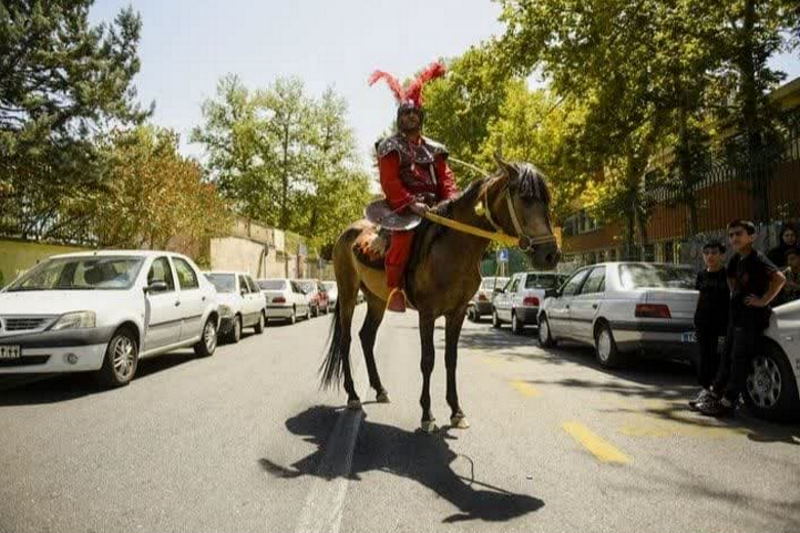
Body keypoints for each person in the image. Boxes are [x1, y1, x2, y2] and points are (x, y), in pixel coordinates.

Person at [369, 62, 458, 312]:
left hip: (436, 207)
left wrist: (451, 202)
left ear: (420, 117)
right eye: (406, 114)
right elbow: (390, 183)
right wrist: (411, 203)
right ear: (400, 119)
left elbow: (446, 179)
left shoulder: (435, 149)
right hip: (404, 208)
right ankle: (396, 288)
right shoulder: (390, 146)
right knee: (403, 238)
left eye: (415, 114)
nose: (411, 117)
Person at [698, 220, 786, 417]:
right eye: (731, 235)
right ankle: (715, 394)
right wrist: (736, 294)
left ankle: (729, 402)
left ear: (752, 237)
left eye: (739, 234)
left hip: (750, 318)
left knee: (739, 359)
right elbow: (730, 277)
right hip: (735, 317)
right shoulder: (736, 259)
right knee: (727, 356)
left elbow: (780, 278)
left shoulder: (758, 258)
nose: (734, 238)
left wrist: (763, 300)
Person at [688, 240, 729, 411]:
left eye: (714, 252)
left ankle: (720, 392)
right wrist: (695, 316)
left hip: (722, 322)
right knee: (704, 357)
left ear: (722, 255)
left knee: (720, 358)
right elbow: (700, 296)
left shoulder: (728, 275)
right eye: (707, 253)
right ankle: (706, 390)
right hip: (703, 321)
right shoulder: (701, 275)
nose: (710, 256)